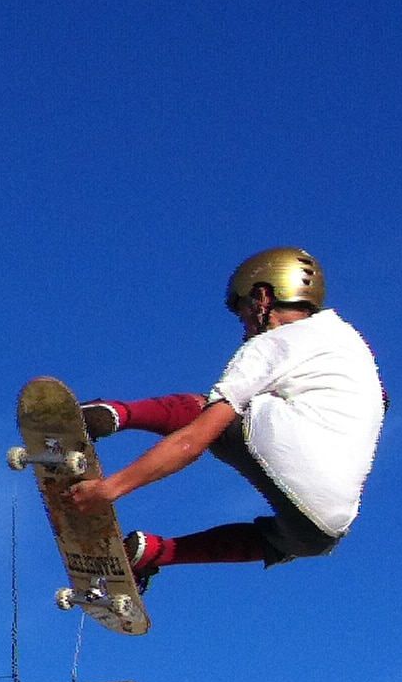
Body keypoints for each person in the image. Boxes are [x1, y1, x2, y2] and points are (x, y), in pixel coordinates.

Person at [65, 248, 384, 587]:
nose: (245, 327)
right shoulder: (352, 344)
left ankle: (112, 413)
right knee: (297, 540)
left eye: (243, 310)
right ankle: (155, 552)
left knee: (213, 412)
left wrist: (109, 490)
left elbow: (193, 441)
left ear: (263, 298)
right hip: (327, 524)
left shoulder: (277, 343)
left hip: (288, 456)